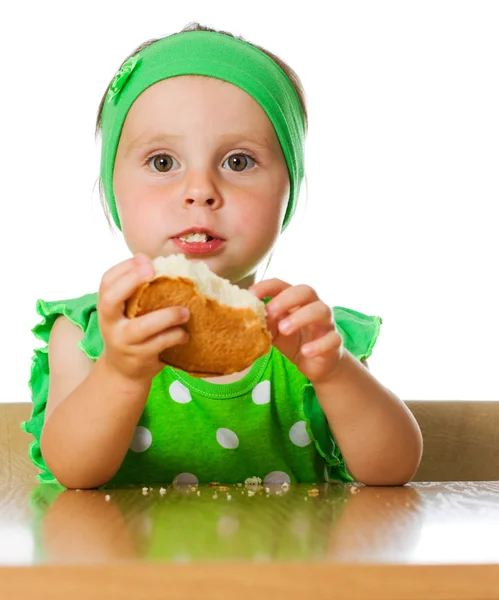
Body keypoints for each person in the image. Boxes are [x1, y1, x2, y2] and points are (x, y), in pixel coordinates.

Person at [22, 23, 422, 490]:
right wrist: (121, 373)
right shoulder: (86, 335)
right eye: (162, 162)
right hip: (131, 564)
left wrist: (332, 373)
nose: (200, 192)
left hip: (284, 562)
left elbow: (393, 471)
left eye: (238, 162)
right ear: (113, 189)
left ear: (287, 192)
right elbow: (73, 471)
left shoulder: (307, 334)